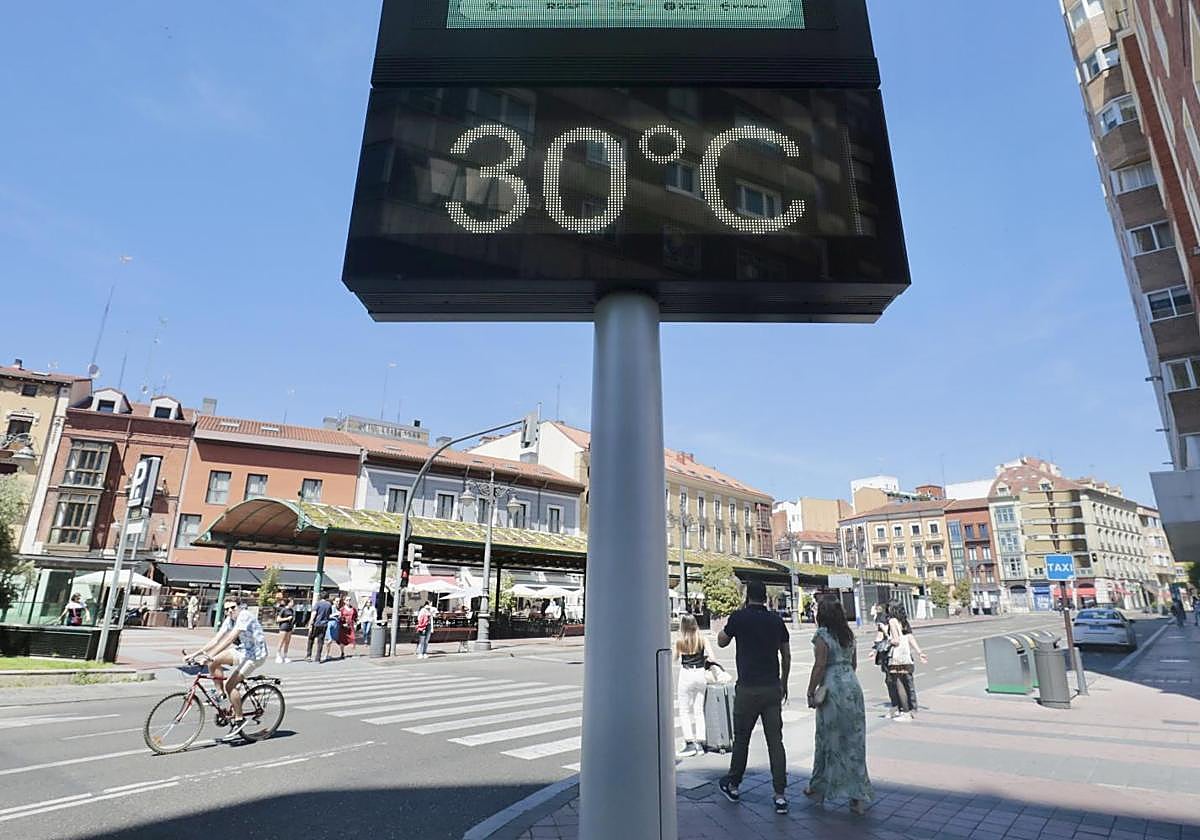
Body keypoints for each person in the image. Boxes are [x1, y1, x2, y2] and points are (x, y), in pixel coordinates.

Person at [716, 579, 791, 816]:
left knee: (741, 739)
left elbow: (721, 640)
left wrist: (732, 622)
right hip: (771, 688)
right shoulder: (776, 621)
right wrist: (784, 682)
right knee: (775, 742)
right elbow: (786, 655)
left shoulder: (739, 618)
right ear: (766, 597)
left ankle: (734, 784)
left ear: (748, 596)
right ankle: (780, 795)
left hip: (747, 688)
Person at [805, 599, 873, 815]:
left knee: (827, 740)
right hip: (852, 688)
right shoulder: (849, 635)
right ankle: (857, 797)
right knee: (855, 743)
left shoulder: (822, 635)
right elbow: (854, 664)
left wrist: (810, 689)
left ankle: (819, 788)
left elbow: (820, 664)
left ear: (822, 615)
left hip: (832, 690)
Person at [186, 600, 268, 737]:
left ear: (239, 607)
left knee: (230, 685)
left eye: (233, 607)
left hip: (256, 655)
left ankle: (239, 719)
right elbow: (216, 640)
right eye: (227, 609)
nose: (230, 611)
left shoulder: (244, 615)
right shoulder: (229, 620)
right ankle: (220, 693)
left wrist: (209, 655)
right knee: (213, 662)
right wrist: (195, 654)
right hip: (243, 651)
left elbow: (230, 639)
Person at [674, 613, 712, 757]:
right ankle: (700, 744)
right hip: (700, 673)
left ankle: (689, 743)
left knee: (684, 709)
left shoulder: (680, 641)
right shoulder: (702, 639)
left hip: (686, 673)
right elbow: (712, 656)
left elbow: (675, 658)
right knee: (698, 709)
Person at [886, 603, 927, 720]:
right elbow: (909, 637)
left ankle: (905, 712)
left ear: (892, 608)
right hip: (906, 655)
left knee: (899, 683)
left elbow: (896, 641)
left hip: (897, 656)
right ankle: (908, 710)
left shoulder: (892, 621)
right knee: (906, 682)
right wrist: (920, 652)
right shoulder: (903, 620)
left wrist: (888, 639)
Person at [871, 603, 893, 717]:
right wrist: (874, 650)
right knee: (892, 678)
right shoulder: (894, 618)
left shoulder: (885, 620)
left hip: (887, 651)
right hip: (891, 651)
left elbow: (880, 637)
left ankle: (896, 705)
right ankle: (902, 705)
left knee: (890, 679)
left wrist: (875, 649)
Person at [306, 592, 334, 662]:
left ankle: (309, 655)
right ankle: (318, 657)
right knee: (320, 641)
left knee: (311, 639)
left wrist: (310, 622)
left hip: (316, 623)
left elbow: (314, 613)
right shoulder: (329, 605)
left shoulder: (318, 603)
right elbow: (329, 614)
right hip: (324, 624)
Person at [275, 598, 295, 664]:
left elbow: (292, 620)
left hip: (289, 627)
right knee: (281, 641)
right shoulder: (283, 610)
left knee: (287, 642)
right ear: (288, 603)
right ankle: (278, 655)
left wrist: (293, 626)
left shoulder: (292, 610)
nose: (293, 603)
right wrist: (287, 618)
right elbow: (278, 619)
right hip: (283, 627)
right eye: (291, 602)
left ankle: (285, 656)